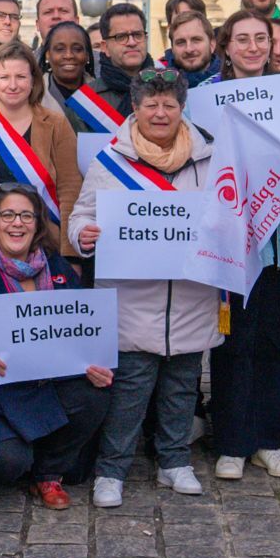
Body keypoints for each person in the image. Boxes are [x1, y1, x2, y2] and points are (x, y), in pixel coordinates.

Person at [70, 68, 220, 503]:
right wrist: (85, 235)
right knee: (130, 390)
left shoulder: (209, 157)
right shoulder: (111, 160)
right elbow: (81, 215)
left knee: (181, 386)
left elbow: (228, 213)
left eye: (169, 104)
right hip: (133, 299)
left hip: (191, 295)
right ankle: (111, 471)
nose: (160, 112)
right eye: (150, 105)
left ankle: (174, 462)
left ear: (181, 108)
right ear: (135, 109)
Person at [0, 184, 110, 507]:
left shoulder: (59, 270)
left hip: (41, 387)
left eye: (26, 215)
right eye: (8, 215)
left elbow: (81, 334)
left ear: (38, 223)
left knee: (93, 395)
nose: (17, 223)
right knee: (8, 463)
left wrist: (92, 362)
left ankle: (47, 474)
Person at [206, 14, 280, 482]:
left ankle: (268, 440)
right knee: (234, 344)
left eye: (260, 40)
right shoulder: (206, 99)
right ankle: (231, 442)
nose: (252, 47)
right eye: (241, 39)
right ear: (225, 46)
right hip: (233, 240)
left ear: (273, 46)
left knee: (275, 342)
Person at [0, 42, 82, 255]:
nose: (13, 85)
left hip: (45, 245)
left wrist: (70, 254)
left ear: (33, 81)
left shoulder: (55, 123)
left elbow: (70, 189)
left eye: (21, 77)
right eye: (4, 77)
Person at [41, 22, 112, 136]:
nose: (69, 55)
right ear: (48, 55)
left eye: (77, 49)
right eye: (60, 49)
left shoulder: (105, 94)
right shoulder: (33, 95)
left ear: (88, 55)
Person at [92, 3, 153, 112]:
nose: (132, 42)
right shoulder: (87, 102)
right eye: (121, 37)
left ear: (146, 39)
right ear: (105, 47)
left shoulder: (169, 90)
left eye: (138, 35)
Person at [164, 9, 217, 88]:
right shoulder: (158, 87)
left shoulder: (232, 81)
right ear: (172, 49)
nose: (189, 49)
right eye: (181, 42)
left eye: (196, 40)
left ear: (212, 45)